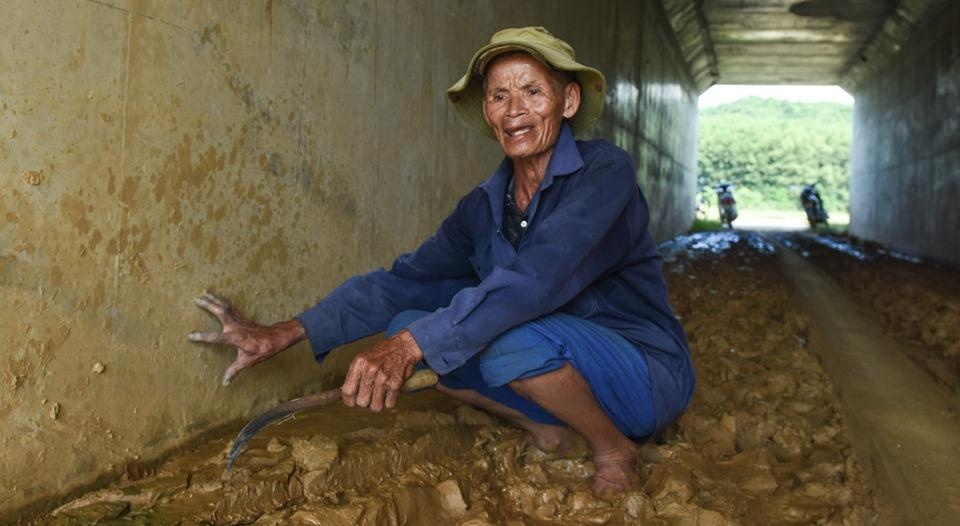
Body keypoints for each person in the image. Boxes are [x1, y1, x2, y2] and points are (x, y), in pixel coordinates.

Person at [189, 26, 695, 496]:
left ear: (568, 100)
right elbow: (404, 282)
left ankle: (614, 448)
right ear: (488, 113)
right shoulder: (482, 207)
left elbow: (537, 278)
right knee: (408, 321)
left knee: (492, 336)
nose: (515, 109)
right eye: (499, 96)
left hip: (642, 376)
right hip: (557, 373)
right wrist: (289, 331)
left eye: (533, 92)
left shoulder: (605, 172)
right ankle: (550, 426)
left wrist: (411, 347)